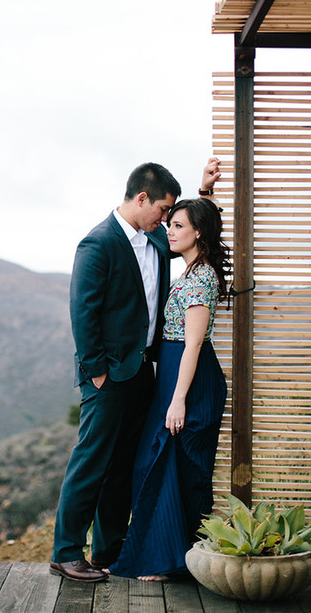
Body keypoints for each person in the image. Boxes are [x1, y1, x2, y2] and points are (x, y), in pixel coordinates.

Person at [50, 158, 220, 583]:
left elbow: (196, 231)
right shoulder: (98, 243)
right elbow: (82, 313)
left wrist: (204, 193)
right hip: (107, 377)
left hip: (147, 375)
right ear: (141, 198)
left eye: (170, 216)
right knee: (92, 462)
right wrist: (97, 374)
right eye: (162, 210)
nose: (166, 221)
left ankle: (109, 550)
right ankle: (66, 552)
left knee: (125, 467)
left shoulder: (158, 240)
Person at [106, 190, 230, 581]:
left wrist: (177, 401)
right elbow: (198, 216)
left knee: (182, 469)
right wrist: (205, 190)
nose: (168, 231)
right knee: (158, 464)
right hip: (175, 377)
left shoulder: (202, 276)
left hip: (190, 382)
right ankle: (165, 558)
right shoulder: (193, 270)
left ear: (197, 234)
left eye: (177, 226)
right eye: (169, 223)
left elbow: (193, 343)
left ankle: (174, 563)